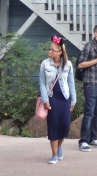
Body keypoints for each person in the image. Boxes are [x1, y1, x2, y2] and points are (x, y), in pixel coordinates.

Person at [39, 35, 77, 164]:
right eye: (49, 50)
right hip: (52, 99)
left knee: (65, 126)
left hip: (65, 98)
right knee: (53, 126)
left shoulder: (68, 65)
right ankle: (54, 154)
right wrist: (45, 100)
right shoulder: (45, 64)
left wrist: (73, 100)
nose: (49, 52)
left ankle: (59, 146)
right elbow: (42, 83)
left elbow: (71, 83)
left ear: (60, 52)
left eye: (52, 50)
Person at [76, 25, 97, 152]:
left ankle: (93, 138)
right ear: (96, 33)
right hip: (90, 84)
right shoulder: (89, 46)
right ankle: (83, 141)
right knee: (89, 113)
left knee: (96, 113)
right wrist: (96, 59)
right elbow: (81, 64)